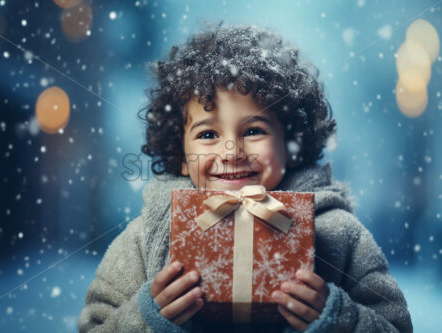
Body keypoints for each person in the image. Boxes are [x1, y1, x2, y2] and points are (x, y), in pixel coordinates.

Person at [78, 22, 412, 332]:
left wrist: (339, 317)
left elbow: (395, 326)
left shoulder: (338, 234)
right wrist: (147, 317)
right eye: (207, 135)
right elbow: (94, 326)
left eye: (253, 130)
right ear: (180, 157)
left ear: (291, 145)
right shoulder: (147, 235)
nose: (231, 151)